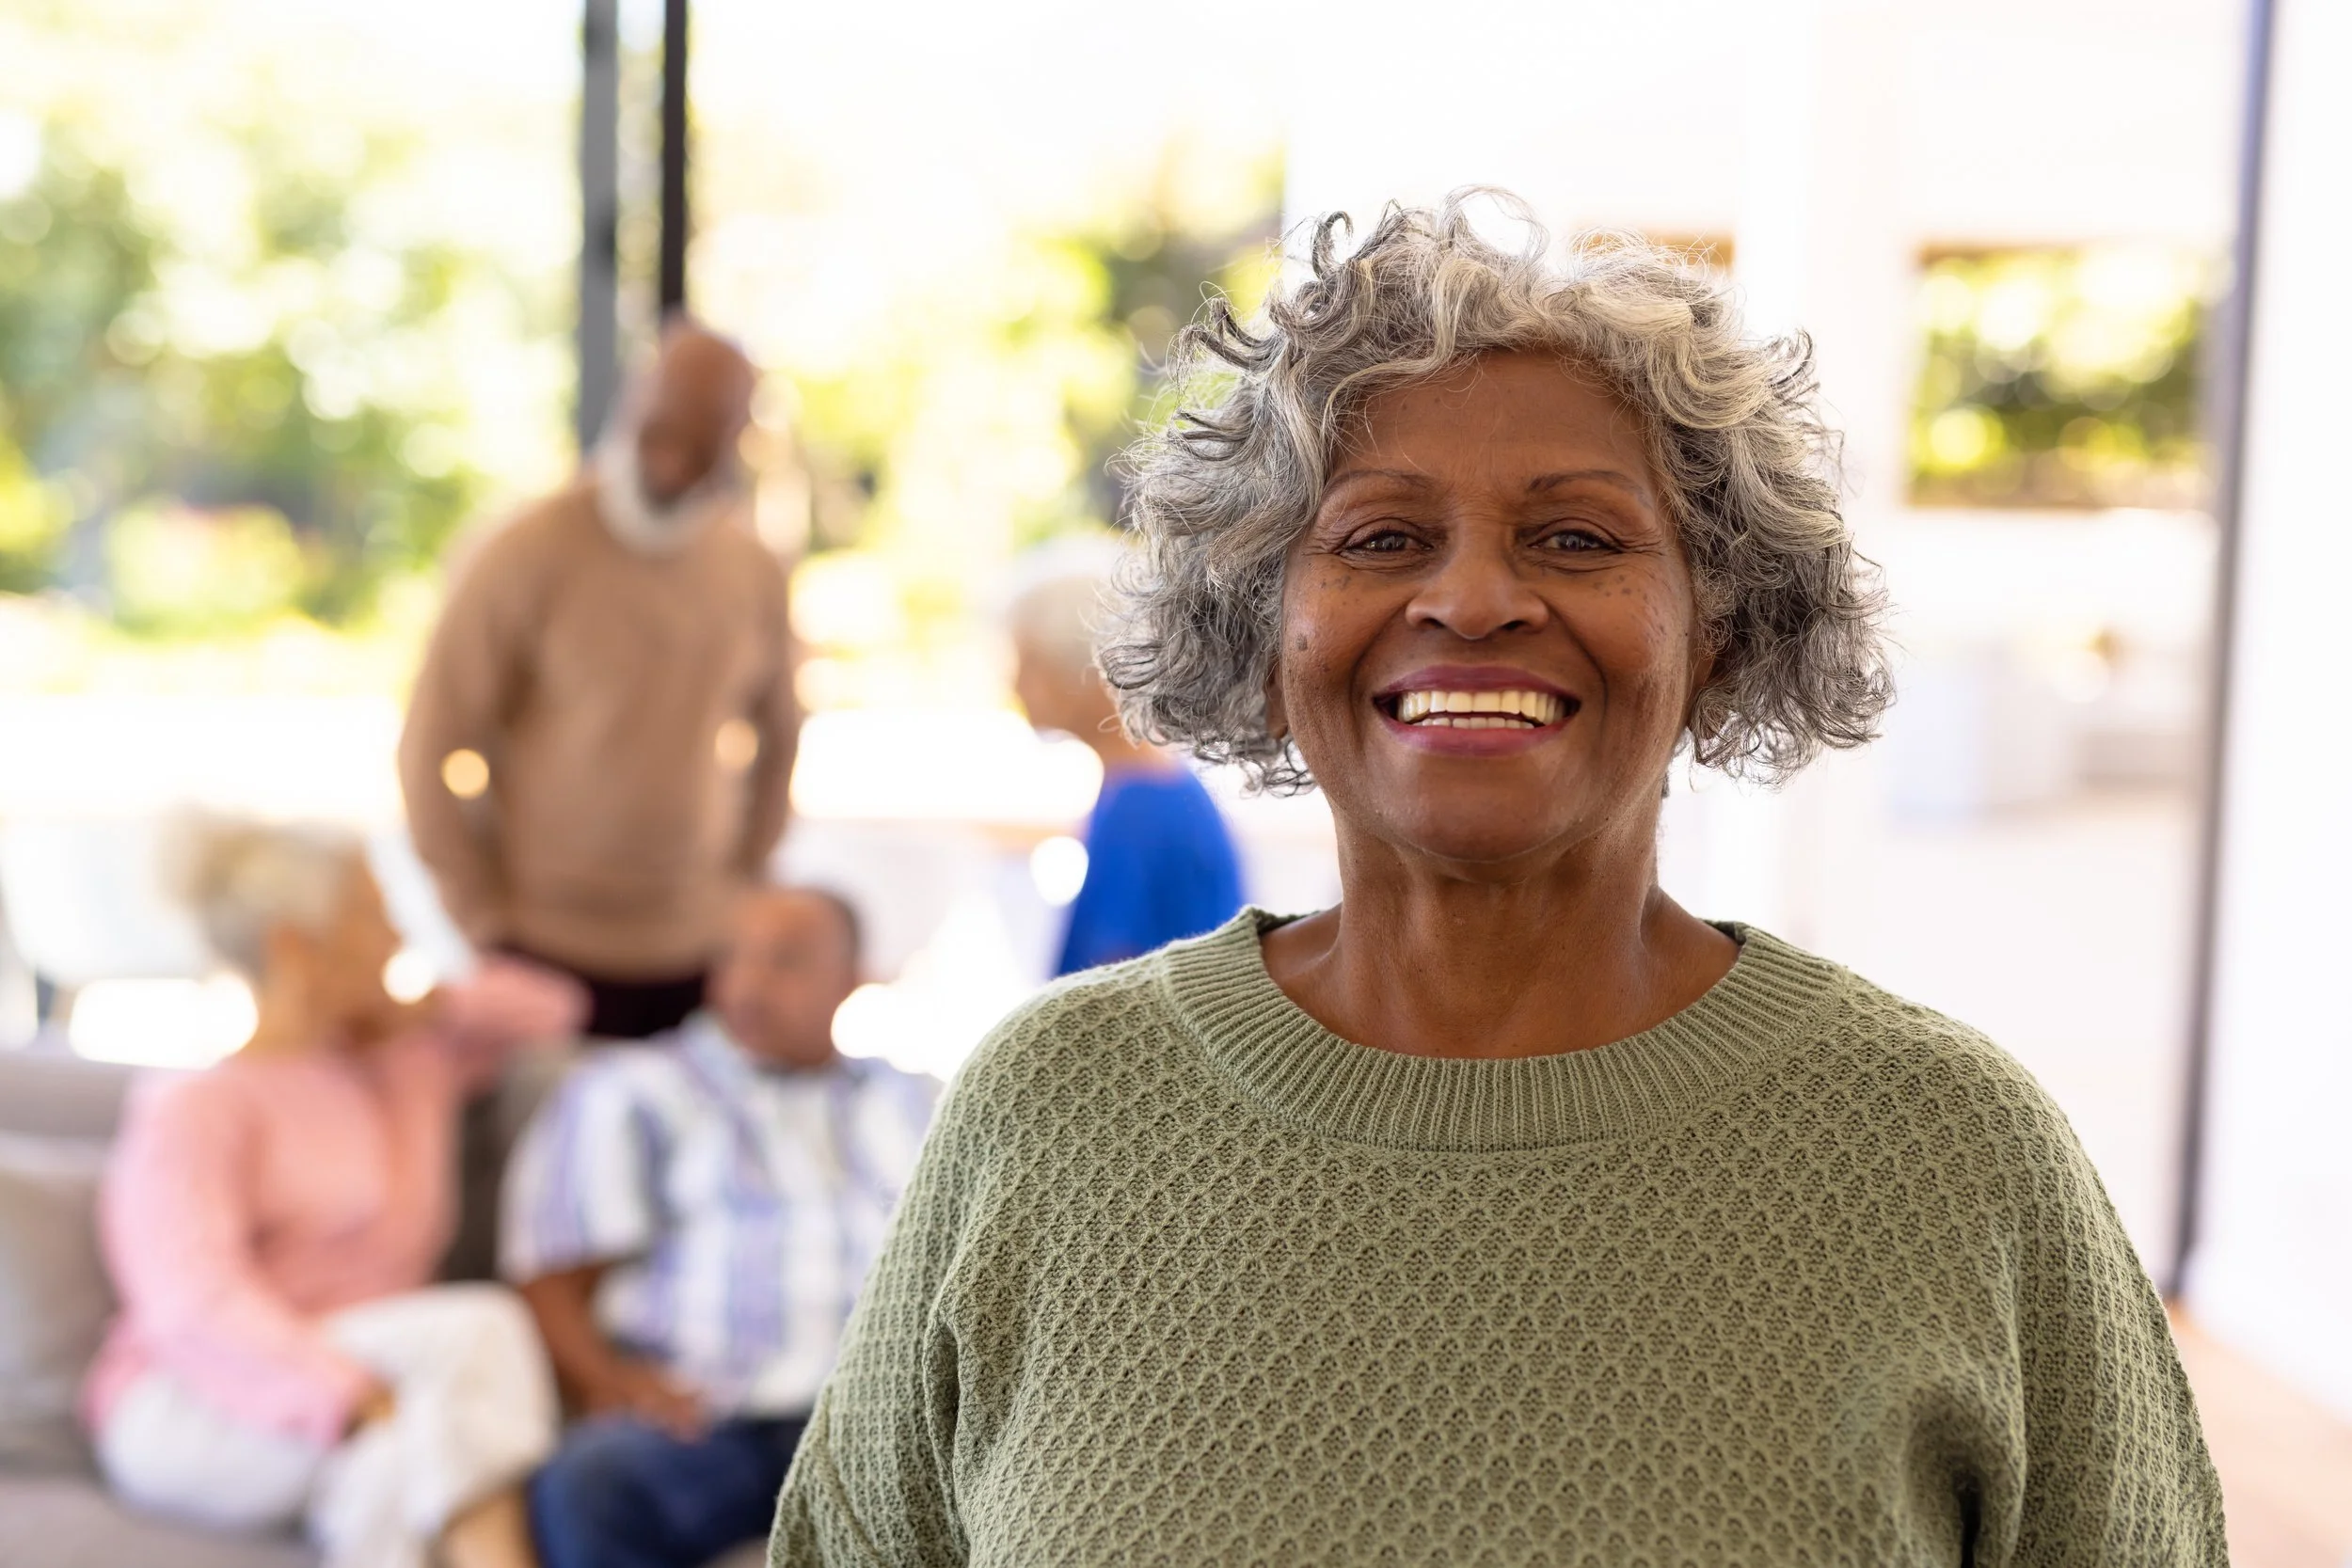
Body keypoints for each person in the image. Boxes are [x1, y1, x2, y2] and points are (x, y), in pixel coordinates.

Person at [769, 195, 2228, 1565]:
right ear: (1265, 630)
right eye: (1382, 536)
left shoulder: (1949, 1156)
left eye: (1578, 537)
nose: (1471, 598)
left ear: (1717, 629)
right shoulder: (1055, 1106)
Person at [85, 815, 586, 1568]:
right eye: (373, 916)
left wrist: (427, 1008)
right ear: (295, 944)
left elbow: (555, 1009)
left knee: (395, 1464)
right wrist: (353, 1396)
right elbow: (193, 1305)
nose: (397, 941)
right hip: (198, 1399)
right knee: (478, 1332)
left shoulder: (406, 1064)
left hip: (393, 1375)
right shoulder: (198, 1105)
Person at [501, 885, 938, 1568]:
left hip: (878, 1426)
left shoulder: (916, 1100)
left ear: (853, 980)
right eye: (733, 958)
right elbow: (552, 1276)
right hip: (709, 1423)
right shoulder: (635, 1089)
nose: (750, 983)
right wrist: (610, 1381)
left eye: (785, 961)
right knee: (593, 1480)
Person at [398, 321, 800, 1039]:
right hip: (540, 946)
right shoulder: (524, 551)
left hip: (696, 950)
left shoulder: (752, 571)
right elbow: (428, 745)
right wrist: (480, 918)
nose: (681, 440)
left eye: (712, 420)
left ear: (740, 432)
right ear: (635, 398)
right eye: (669, 409)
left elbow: (782, 739)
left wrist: (744, 882)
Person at [1008, 546, 1245, 975]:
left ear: (1083, 667)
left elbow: (1100, 995)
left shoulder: (1143, 809)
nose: (1016, 685)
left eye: (1030, 664)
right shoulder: (1142, 790)